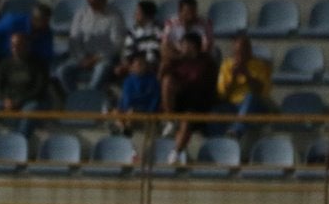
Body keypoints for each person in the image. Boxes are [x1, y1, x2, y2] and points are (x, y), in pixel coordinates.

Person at [55, 0, 127, 96]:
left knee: (101, 69)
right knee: (62, 71)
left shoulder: (115, 16)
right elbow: (75, 38)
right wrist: (82, 58)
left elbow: (116, 43)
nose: (89, 0)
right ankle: (74, 98)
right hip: (82, 57)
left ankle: (90, 98)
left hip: (104, 58)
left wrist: (96, 58)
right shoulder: (81, 14)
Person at [0, 30, 54, 137]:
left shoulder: (39, 64)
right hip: (8, 100)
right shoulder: (5, 64)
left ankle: (20, 141)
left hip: (31, 101)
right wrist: (5, 100)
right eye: (12, 45)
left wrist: (18, 101)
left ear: (26, 46)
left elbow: (39, 89)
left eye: (18, 45)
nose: (15, 48)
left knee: (29, 111)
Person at [0, 1, 54, 84]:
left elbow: (45, 56)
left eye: (47, 20)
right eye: (43, 20)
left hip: (22, 61)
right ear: (34, 18)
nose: (46, 24)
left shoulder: (46, 34)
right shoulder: (13, 22)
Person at [162, 32, 216, 161]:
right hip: (179, 101)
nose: (184, 48)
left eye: (187, 45)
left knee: (186, 120)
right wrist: (165, 64)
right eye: (183, 45)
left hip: (198, 104)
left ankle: (176, 152)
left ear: (195, 47)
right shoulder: (177, 61)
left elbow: (198, 83)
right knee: (167, 81)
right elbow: (162, 79)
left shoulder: (206, 62)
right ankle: (170, 120)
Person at [217, 33, 273, 136]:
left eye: (243, 52)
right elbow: (223, 95)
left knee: (250, 97)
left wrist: (246, 75)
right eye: (237, 52)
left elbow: (261, 92)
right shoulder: (227, 65)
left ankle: (237, 129)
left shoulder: (260, 65)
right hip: (233, 105)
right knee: (215, 109)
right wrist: (233, 78)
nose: (240, 55)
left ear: (249, 51)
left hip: (256, 105)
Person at [115, 50, 162, 134]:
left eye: (142, 64)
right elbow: (125, 98)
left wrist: (150, 111)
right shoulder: (128, 80)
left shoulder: (153, 80)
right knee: (116, 112)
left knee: (131, 112)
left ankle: (127, 128)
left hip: (144, 109)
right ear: (132, 66)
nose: (140, 66)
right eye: (138, 64)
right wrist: (124, 108)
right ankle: (123, 128)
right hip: (129, 109)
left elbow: (155, 98)